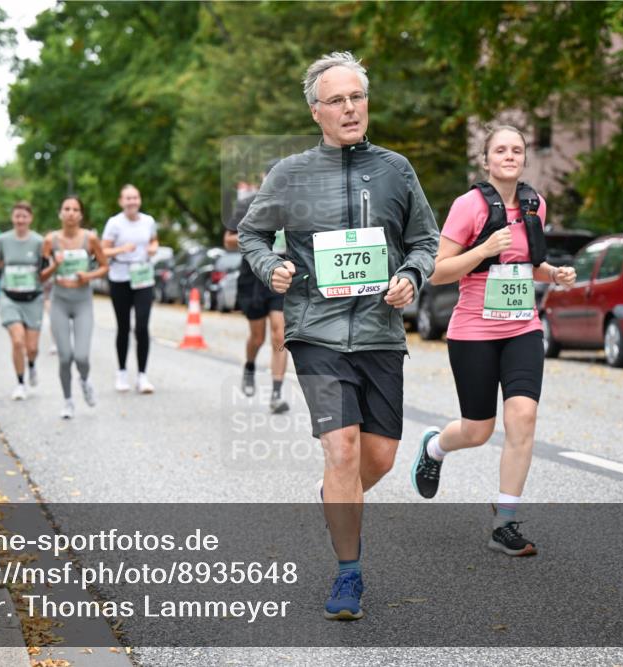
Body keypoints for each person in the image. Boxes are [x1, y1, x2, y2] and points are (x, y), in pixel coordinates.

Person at [238, 51, 438, 620]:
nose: (350, 108)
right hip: (315, 331)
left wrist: (410, 275)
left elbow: (427, 240)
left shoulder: (396, 170)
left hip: (379, 333)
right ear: (315, 111)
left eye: (357, 97)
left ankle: (336, 494)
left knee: (378, 456)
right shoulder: (290, 174)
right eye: (337, 100)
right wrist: (268, 266)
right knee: (343, 448)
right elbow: (251, 234)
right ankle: (349, 575)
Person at [411, 124, 577, 556]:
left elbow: (530, 264)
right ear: (486, 160)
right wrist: (484, 249)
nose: (509, 155)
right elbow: (438, 271)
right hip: (474, 330)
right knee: (478, 430)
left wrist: (554, 274)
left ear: (524, 158)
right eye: (500, 150)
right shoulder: (469, 206)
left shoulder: (534, 203)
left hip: (523, 326)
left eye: (517, 149)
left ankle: (505, 522)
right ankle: (434, 447)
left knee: (522, 417)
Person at [223, 164, 290, 414]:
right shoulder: (247, 204)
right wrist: (254, 237)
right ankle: (250, 365)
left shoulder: (295, 206)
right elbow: (228, 240)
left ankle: (276, 393)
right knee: (258, 337)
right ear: (263, 179)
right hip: (252, 276)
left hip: (283, 274)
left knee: (279, 335)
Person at [42, 195, 109, 419]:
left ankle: (85, 380)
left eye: (75, 209)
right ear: (60, 213)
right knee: (64, 357)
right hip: (60, 300)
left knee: (81, 356)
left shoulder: (90, 239)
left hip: (82, 301)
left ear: (80, 215)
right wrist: (55, 266)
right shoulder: (50, 240)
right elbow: (40, 275)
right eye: (66, 208)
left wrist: (87, 275)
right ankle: (68, 400)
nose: (70, 213)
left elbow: (104, 267)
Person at [0, 202, 46, 400]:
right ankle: (20, 383)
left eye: (24, 216)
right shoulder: (4, 239)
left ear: (30, 219)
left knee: (32, 347)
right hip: (9, 297)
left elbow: (45, 268)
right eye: (17, 216)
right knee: (18, 341)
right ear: (12, 218)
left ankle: (32, 365)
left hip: (33, 298)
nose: (20, 220)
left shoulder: (38, 241)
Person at [102, 184, 159, 394]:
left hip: (143, 277)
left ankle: (143, 376)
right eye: (128, 198)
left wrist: (153, 248)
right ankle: (122, 372)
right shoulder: (114, 223)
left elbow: (153, 240)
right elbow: (103, 250)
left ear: (140, 200)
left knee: (142, 327)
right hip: (120, 277)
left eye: (135, 198)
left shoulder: (148, 221)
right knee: (123, 326)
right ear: (121, 201)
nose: (132, 202)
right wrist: (121, 249)